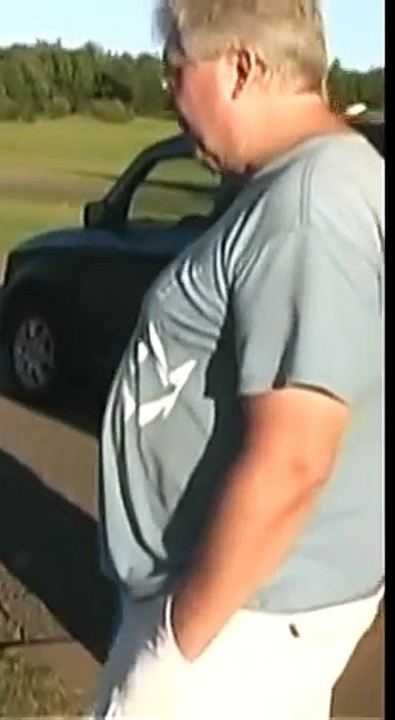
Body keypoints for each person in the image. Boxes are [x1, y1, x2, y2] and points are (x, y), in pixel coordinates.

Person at [92, 1, 384, 718]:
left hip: (237, 629)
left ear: (242, 68)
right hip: (252, 613)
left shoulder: (309, 207)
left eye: (176, 70)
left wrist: (179, 643)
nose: (169, 94)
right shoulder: (315, 183)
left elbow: (294, 459)